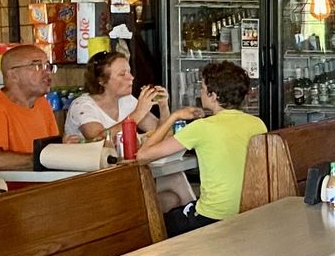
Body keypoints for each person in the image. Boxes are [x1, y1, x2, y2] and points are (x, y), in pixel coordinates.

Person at [137, 61, 265, 236]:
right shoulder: (257, 123)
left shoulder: (202, 127)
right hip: (250, 210)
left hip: (213, 215)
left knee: (156, 225)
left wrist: (174, 116)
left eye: (203, 88)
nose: (200, 92)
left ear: (213, 95)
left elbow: (143, 156)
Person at [0, 45, 72, 175]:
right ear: (13, 75)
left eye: (48, 66)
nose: (47, 72)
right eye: (37, 66)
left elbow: (50, 149)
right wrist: (43, 159)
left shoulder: (42, 104)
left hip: (34, 184)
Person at [65, 51, 167, 150]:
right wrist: (138, 113)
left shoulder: (127, 100)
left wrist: (163, 106)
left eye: (129, 72)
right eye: (122, 74)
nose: (131, 77)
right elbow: (98, 141)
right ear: (101, 80)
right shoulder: (82, 106)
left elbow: (161, 131)